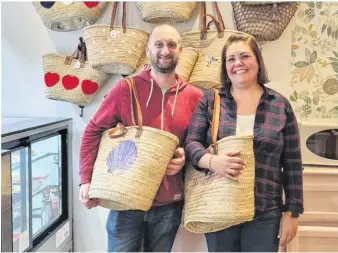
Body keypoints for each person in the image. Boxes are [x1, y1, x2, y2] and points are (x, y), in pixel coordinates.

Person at [79, 24, 203, 252]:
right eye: (159, 44)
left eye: (171, 45)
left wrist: (185, 155)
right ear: (148, 50)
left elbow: (201, 143)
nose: (165, 51)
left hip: (169, 203)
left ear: (180, 51)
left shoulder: (195, 96)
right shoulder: (126, 89)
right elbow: (93, 130)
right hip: (125, 199)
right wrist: (85, 179)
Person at [184, 34, 304, 252]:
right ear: (225, 67)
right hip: (220, 206)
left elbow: (293, 163)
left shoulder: (279, 105)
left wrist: (291, 213)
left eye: (244, 56)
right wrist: (212, 161)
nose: (237, 63)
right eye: (230, 59)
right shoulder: (210, 100)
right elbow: (191, 143)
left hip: (266, 211)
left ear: (257, 61)